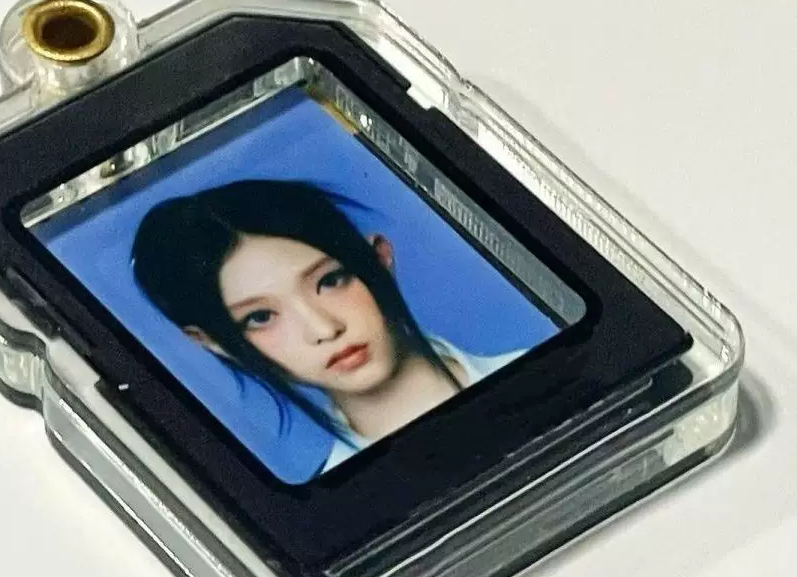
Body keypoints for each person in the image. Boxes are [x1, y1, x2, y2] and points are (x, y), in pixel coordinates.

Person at [131, 179, 523, 476]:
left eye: (330, 280)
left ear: (379, 257)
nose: (323, 328)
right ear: (216, 343)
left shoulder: (537, 367)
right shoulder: (340, 519)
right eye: (260, 317)